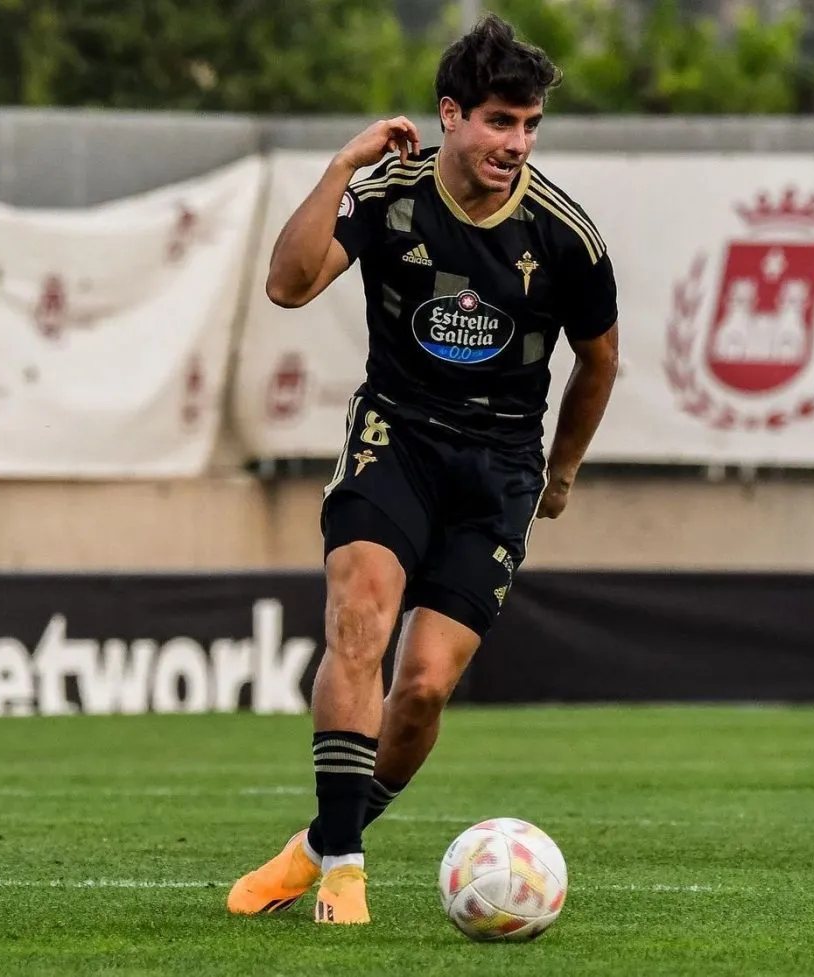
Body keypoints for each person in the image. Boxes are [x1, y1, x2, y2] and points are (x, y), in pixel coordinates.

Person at [226, 13, 619, 925]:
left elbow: (599, 362)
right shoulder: (392, 195)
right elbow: (289, 284)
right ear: (451, 114)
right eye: (497, 121)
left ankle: (317, 842)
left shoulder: (566, 237)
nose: (515, 143)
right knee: (359, 614)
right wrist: (339, 170)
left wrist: (559, 475)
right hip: (396, 437)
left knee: (426, 685)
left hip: (501, 468)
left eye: (528, 126)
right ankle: (345, 872)